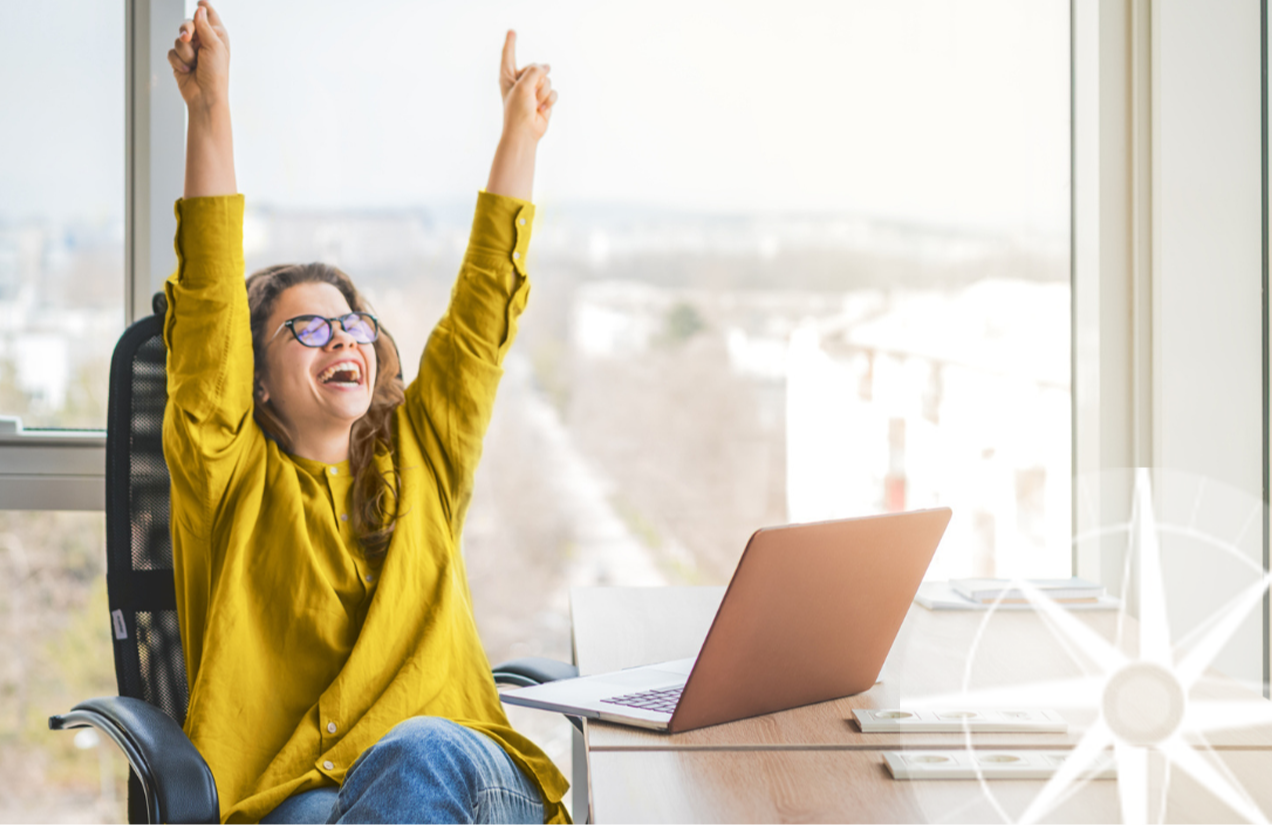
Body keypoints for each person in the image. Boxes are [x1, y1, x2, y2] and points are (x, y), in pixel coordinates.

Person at [161, 3, 566, 823]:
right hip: (299, 797)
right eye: (307, 327)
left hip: (461, 772)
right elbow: (206, 307)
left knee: (417, 754)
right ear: (258, 379)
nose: (340, 336)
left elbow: (483, 317)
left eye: (352, 323)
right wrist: (211, 111)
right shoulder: (227, 477)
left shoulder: (423, 452)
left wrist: (518, 137)